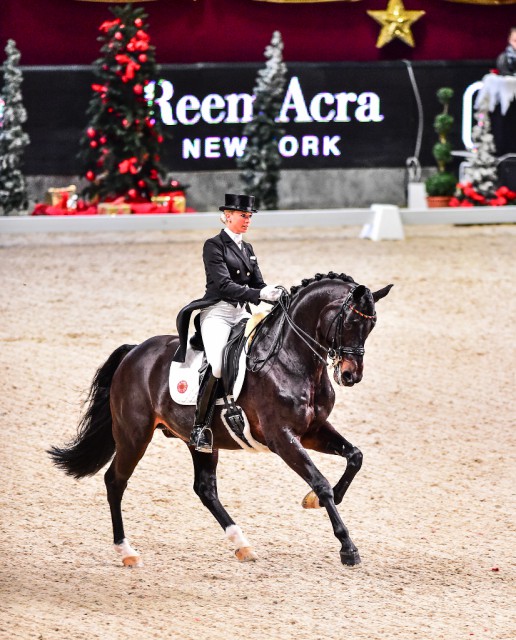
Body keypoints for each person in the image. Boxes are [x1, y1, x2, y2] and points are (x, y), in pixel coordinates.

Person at [173, 193, 282, 453]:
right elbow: (224, 285)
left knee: (260, 353)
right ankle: (200, 428)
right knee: (220, 364)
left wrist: (273, 292)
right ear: (228, 215)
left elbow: (257, 284)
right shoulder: (214, 245)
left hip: (242, 313)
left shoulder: (248, 249)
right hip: (218, 313)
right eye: (243, 215)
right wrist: (259, 294)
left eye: (249, 216)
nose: (247, 220)